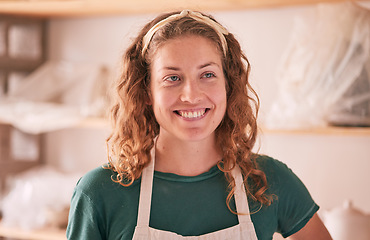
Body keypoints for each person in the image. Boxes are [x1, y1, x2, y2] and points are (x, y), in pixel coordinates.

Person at [66, 10, 332, 240]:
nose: (191, 95)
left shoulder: (268, 182)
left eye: (208, 74)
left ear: (228, 84)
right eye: (172, 78)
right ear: (146, 92)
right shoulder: (99, 193)